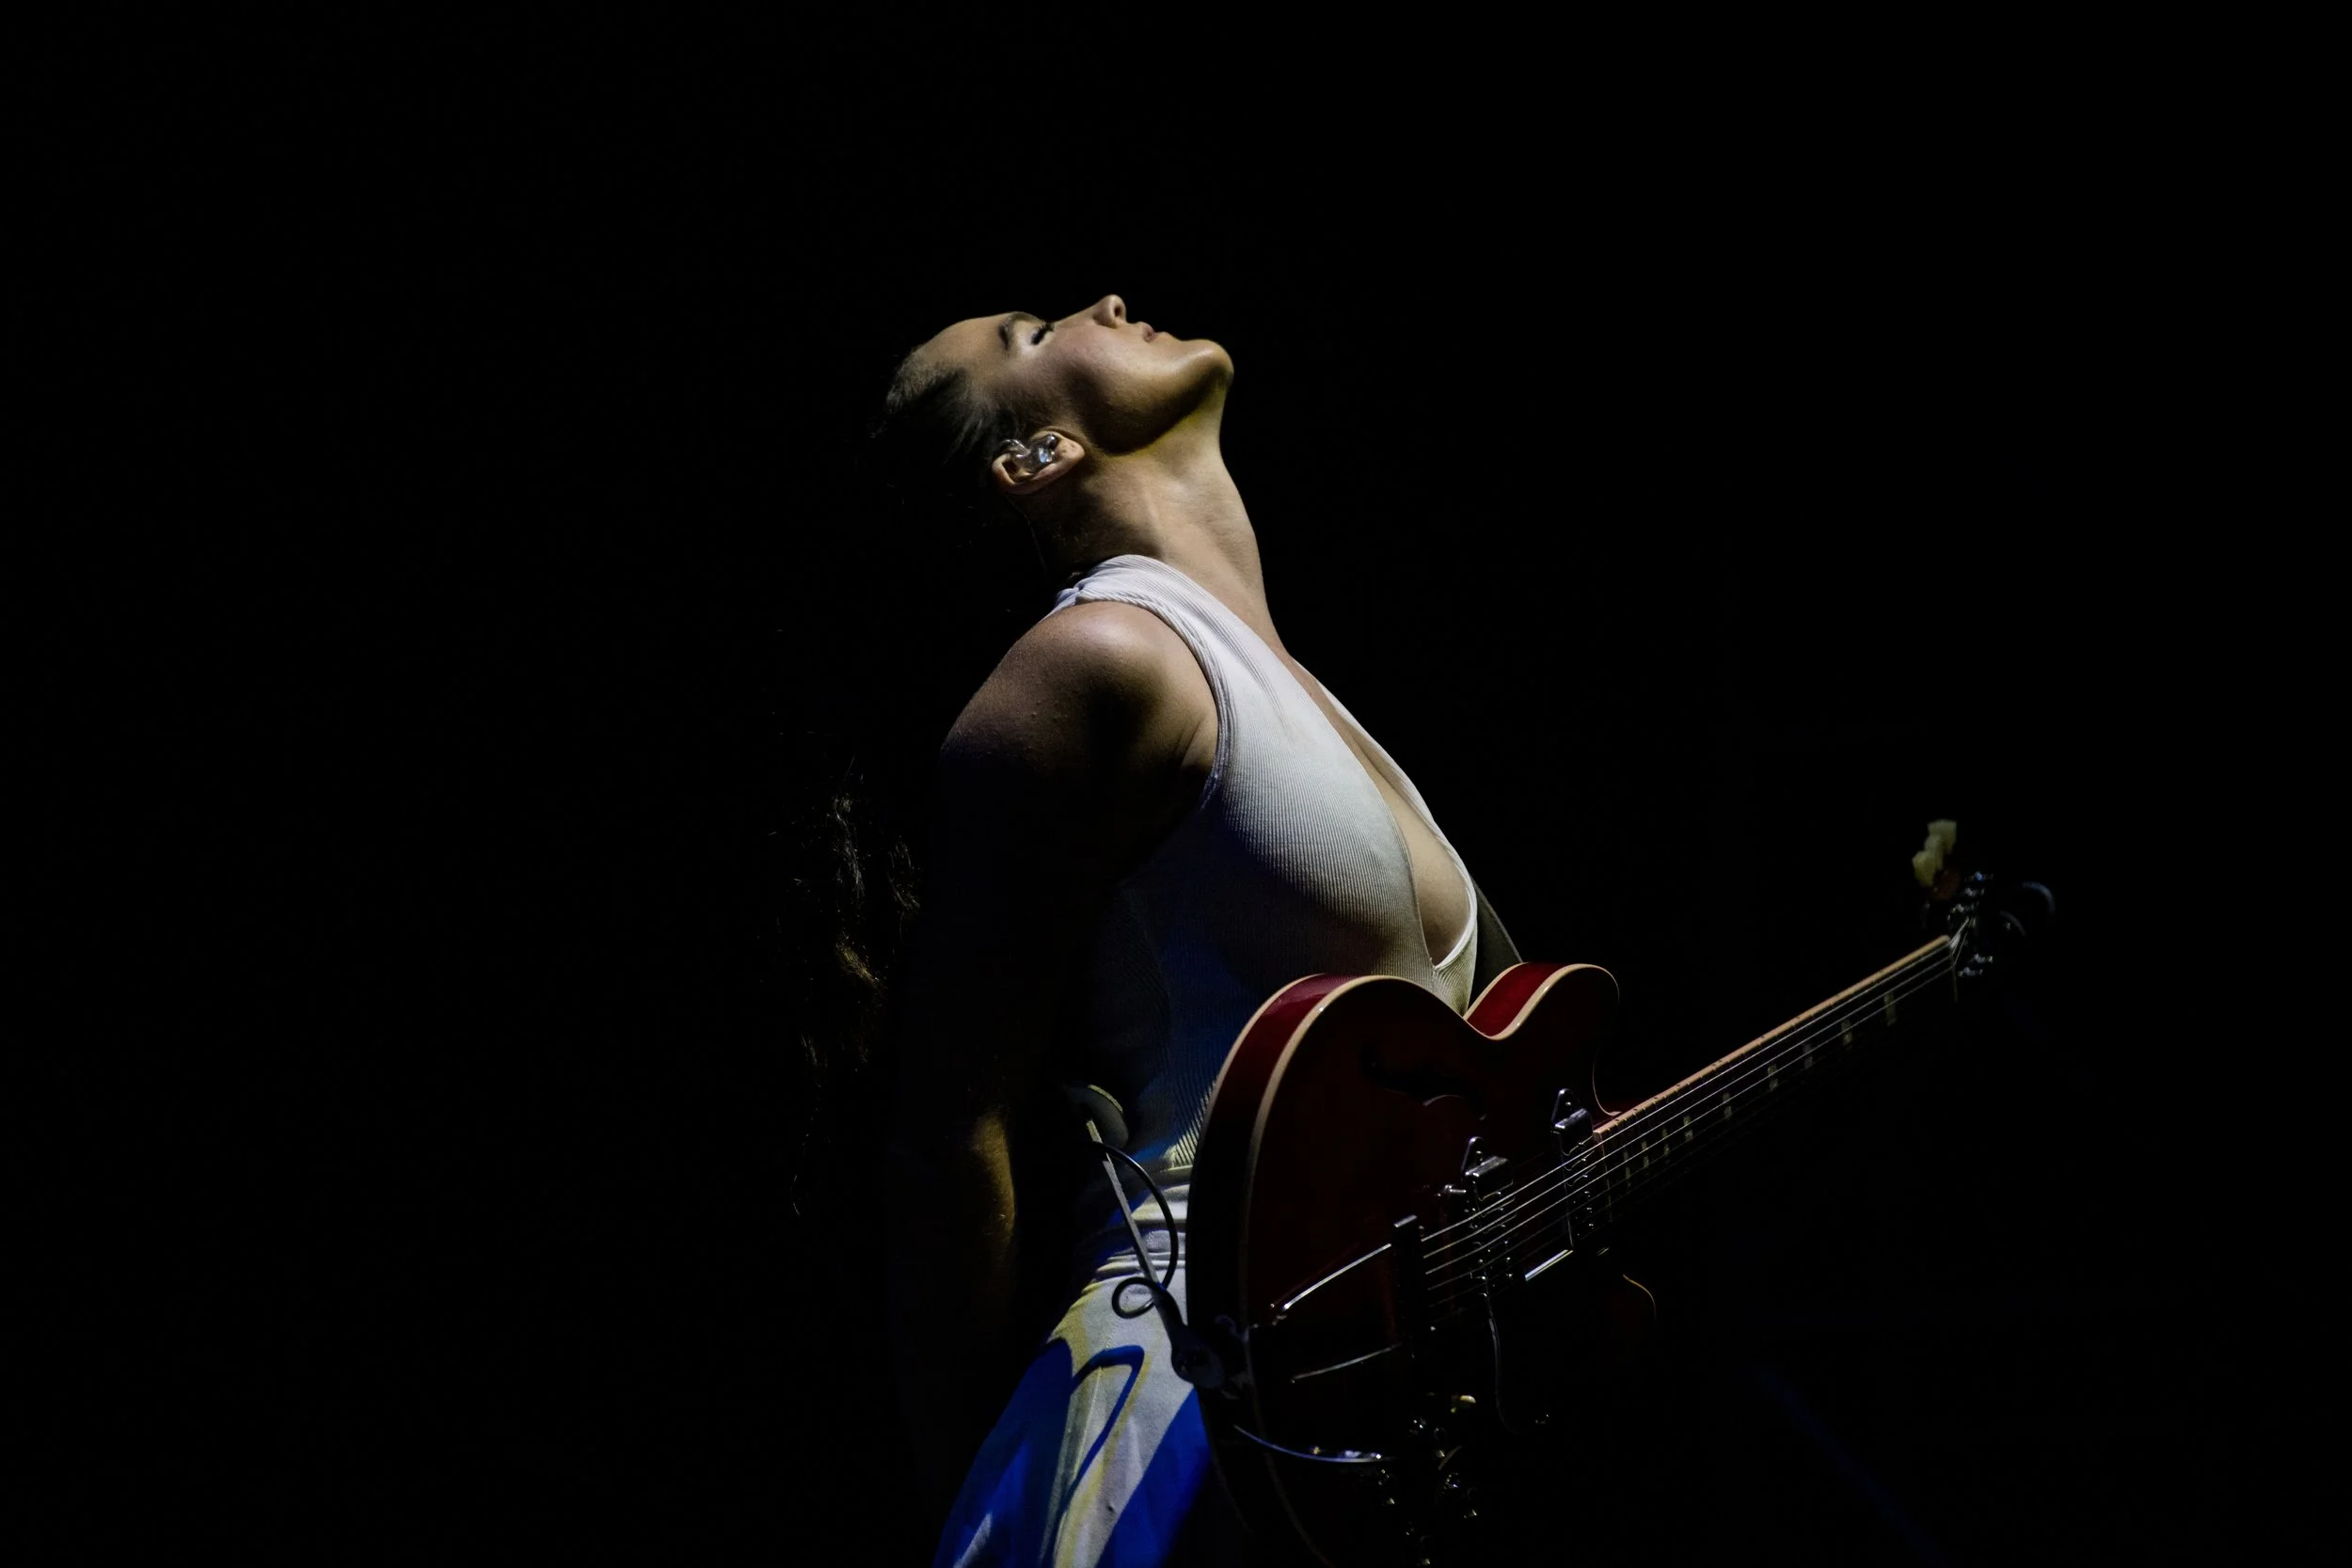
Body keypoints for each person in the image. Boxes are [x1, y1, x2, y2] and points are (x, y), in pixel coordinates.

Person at [877, 293, 1519, 1567]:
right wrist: (978, 1495)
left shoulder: (1314, 704)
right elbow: (946, 1129)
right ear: (1036, 455)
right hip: (1173, 1427)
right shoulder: (1099, 663)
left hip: (1363, 1447)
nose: (1103, 299)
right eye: (1029, 332)